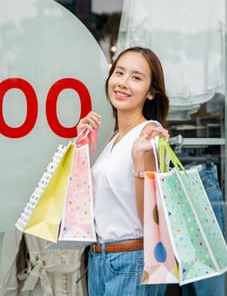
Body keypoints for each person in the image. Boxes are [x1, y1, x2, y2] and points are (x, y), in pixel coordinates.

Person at [76, 46, 170, 295]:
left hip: (131, 260)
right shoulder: (115, 137)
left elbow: (150, 219)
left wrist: (141, 160)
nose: (123, 83)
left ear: (151, 93)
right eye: (119, 73)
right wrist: (81, 149)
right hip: (101, 260)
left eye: (136, 77)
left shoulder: (149, 135)